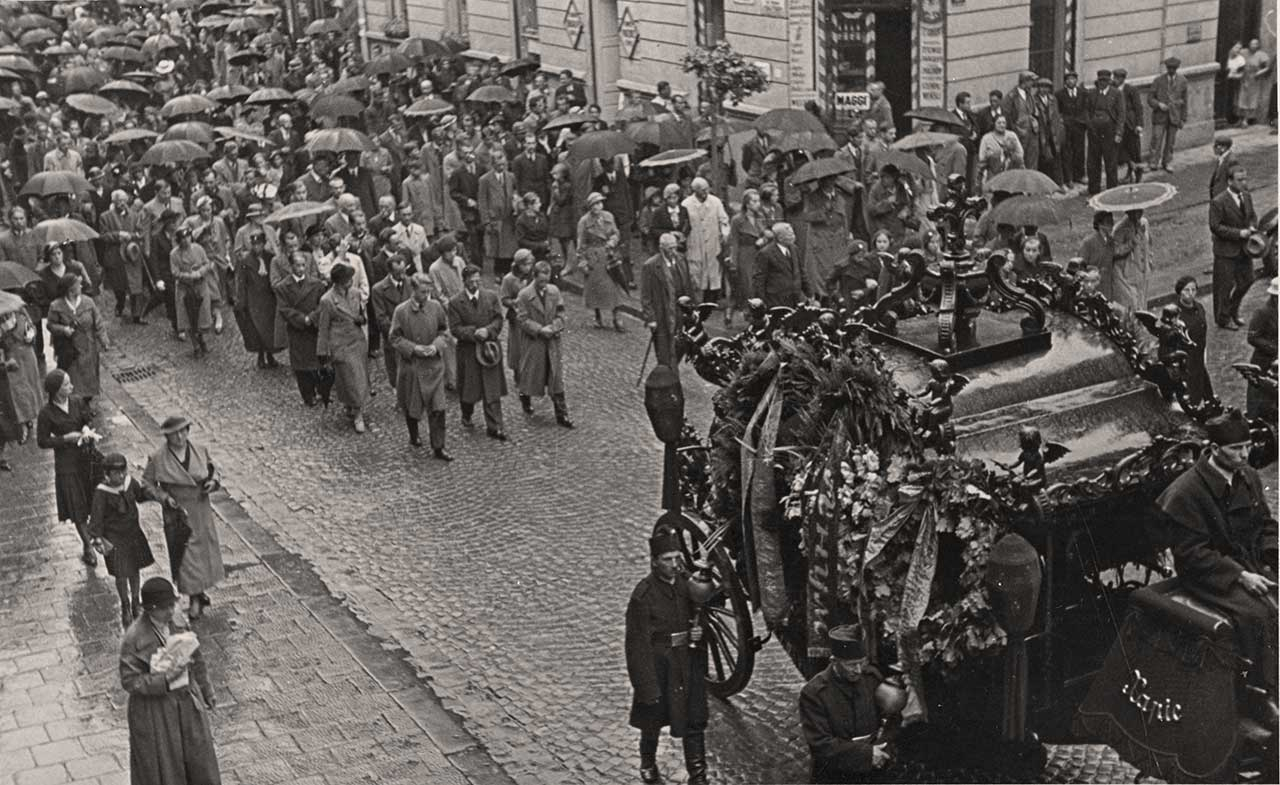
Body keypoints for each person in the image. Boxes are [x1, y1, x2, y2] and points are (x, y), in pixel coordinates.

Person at [1155, 411, 1277, 714]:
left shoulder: (1247, 475)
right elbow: (1192, 554)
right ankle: (1261, 692)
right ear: (1212, 448)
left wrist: (1274, 554)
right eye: (1236, 449)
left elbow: (1265, 524)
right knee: (1258, 615)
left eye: (1247, 446)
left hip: (1250, 561)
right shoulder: (1186, 492)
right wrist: (1240, 576)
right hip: (1210, 575)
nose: (1244, 455)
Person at [624, 525, 709, 785]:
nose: (674, 564)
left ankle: (698, 775)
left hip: (686, 661)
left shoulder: (687, 585)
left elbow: (702, 610)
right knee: (653, 719)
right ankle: (647, 763)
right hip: (659, 664)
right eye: (667, 560)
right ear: (654, 562)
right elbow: (636, 645)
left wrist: (699, 632)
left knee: (695, 718)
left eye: (676, 558)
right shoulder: (643, 596)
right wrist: (646, 685)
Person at [120, 576, 221, 785]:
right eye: (165, 607)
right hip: (156, 714)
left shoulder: (177, 622)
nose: (170, 610)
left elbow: (197, 658)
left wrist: (207, 690)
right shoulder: (133, 638)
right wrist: (164, 680)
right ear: (150, 609)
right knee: (165, 767)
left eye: (172, 605)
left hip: (187, 704)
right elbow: (130, 681)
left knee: (199, 760)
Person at [143, 415, 225, 621]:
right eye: (174, 434)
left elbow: (214, 471)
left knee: (202, 553)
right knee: (186, 556)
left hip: (200, 507)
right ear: (167, 436)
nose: (180, 437)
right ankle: (194, 599)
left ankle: (200, 592)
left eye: (183, 431)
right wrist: (164, 497)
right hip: (178, 512)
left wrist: (212, 483)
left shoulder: (200, 449)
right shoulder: (158, 458)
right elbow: (147, 483)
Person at [799, 624, 892, 783]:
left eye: (861, 663)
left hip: (872, 772)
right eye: (850, 665)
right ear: (833, 661)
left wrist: (883, 747)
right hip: (834, 775)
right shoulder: (814, 693)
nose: (858, 670)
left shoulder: (871, 678)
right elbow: (821, 745)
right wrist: (867, 755)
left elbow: (890, 718)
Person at [91, 452, 171, 630]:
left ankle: (136, 601)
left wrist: (153, 490)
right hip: (114, 538)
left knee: (134, 570)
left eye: (123, 472)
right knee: (121, 574)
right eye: (116, 473)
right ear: (107, 474)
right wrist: (97, 538)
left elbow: (141, 495)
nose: (120, 476)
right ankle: (125, 604)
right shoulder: (101, 493)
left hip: (132, 533)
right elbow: (96, 519)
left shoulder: (129, 483)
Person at [36, 369, 98, 566]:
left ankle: (94, 536)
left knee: (92, 500)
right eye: (66, 385)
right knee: (77, 506)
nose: (71, 387)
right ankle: (88, 546)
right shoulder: (46, 414)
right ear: (56, 391)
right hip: (66, 464)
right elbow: (42, 441)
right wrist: (64, 439)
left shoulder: (77, 402)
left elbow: (88, 418)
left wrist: (87, 428)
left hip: (85, 459)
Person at [390, 272, 452, 458]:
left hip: (434, 366)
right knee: (412, 406)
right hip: (413, 367)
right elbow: (394, 337)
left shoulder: (436, 307)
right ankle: (414, 434)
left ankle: (439, 447)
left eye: (429, 291)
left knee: (438, 408)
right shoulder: (401, 311)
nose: (427, 296)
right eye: (423, 292)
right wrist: (414, 348)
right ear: (413, 290)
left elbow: (444, 331)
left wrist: (436, 346)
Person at [447, 265, 507, 440]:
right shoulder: (455, 302)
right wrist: (474, 332)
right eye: (471, 281)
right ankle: (467, 413)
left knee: (491, 389)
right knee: (469, 389)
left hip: (489, 350)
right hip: (469, 351)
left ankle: (495, 426)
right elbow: (455, 328)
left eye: (477, 280)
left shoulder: (491, 297)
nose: (475, 284)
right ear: (464, 281)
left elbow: (498, 319)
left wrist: (488, 331)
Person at [316, 263, 372, 433]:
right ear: (339, 282)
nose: (351, 282)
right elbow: (323, 327)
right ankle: (357, 414)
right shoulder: (327, 300)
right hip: (341, 344)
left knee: (358, 377)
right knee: (351, 378)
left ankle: (352, 406)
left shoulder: (355, 294)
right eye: (348, 280)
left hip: (357, 341)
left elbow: (362, 314)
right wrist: (322, 352)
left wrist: (362, 320)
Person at [515, 260, 572, 427]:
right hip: (535, 343)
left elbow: (561, 314)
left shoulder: (554, 291)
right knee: (531, 375)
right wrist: (539, 329)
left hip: (552, 342)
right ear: (534, 277)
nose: (544, 285)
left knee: (556, 378)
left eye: (546, 281)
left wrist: (553, 327)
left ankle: (562, 415)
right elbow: (522, 319)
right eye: (541, 281)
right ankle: (525, 398)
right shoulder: (525, 295)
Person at [276, 252, 335, 408]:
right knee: (301, 367)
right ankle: (308, 395)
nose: (301, 269)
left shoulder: (317, 285)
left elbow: (322, 305)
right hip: (298, 330)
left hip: (314, 330)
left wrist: (312, 318)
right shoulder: (282, 287)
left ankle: (323, 391)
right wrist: (303, 319)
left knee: (319, 362)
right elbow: (284, 309)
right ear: (291, 266)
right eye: (298, 265)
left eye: (304, 265)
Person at [45, 272, 109, 405]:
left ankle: (86, 404)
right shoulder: (56, 306)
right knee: (74, 381)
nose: (81, 285)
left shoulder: (88, 302)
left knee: (89, 380)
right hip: (70, 350)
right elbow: (50, 325)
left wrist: (104, 340)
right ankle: (76, 407)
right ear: (70, 290)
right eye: (77, 284)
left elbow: (98, 323)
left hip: (88, 347)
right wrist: (63, 330)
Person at [1209, 165, 1258, 329]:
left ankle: (1232, 310)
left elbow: (1252, 216)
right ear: (1230, 181)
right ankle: (1223, 319)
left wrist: (1252, 227)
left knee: (1248, 280)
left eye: (1245, 179)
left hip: (1244, 249)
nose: (1243, 183)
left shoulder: (1246, 196)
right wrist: (1239, 233)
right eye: (1239, 180)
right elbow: (1215, 227)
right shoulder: (1218, 201)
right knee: (1224, 286)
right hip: (1226, 251)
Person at [641, 233, 693, 368]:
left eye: (675, 248)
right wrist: (650, 318)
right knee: (663, 351)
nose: (673, 251)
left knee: (680, 346)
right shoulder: (651, 266)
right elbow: (646, 295)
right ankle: (667, 378)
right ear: (661, 248)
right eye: (670, 249)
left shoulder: (681, 260)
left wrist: (690, 304)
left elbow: (687, 285)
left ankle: (672, 372)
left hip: (680, 313)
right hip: (662, 313)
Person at [577, 191, 626, 331]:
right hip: (594, 257)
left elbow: (616, 233)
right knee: (596, 289)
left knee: (614, 287)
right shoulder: (584, 222)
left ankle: (617, 317)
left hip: (609, 256)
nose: (599, 206)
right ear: (590, 206)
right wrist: (583, 262)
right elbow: (581, 244)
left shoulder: (609, 216)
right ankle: (598, 317)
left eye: (600, 203)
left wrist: (613, 241)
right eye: (596, 204)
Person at [234, 230, 282, 369]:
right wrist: (241, 300)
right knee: (257, 327)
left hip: (268, 298)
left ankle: (270, 355)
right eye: (254, 245)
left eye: (259, 244)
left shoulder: (270, 257)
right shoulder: (245, 260)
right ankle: (260, 355)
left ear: (264, 243)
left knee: (268, 327)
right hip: (254, 298)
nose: (257, 248)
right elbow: (241, 281)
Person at [0, 300, 42, 450]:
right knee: (18, 389)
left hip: (28, 355)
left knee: (31, 385)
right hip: (12, 357)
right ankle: (22, 421)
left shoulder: (21, 313)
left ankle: (30, 416)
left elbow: (32, 328)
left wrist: (31, 335)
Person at [681, 178, 730, 304]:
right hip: (695, 241)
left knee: (713, 273)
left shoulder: (716, 201)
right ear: (695, 191)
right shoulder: (686, 204)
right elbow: (683, 225)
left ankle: (712, 299)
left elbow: (724, 220)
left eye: (707, 189)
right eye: (702, 190)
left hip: (713, 242)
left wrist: (725, 234)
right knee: (696, 273)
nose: (706, 192)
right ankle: (697, 300)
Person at [802, 177, 851, 302]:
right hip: (821, 238)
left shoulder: (839, 196)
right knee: (823, 270)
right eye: (826, 180)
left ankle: (838, 298)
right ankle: (823, 299)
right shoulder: (812, 197)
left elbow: (844, 216)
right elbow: (806, 216)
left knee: (838, 267)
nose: (830, 182)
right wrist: (823, 211)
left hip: (838, 239)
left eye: (832, 179)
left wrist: (846, 233)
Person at [370, 251, 413, 388]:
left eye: (403, 271)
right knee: (397, 372)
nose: (402, 276)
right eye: (397, 273)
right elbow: (381, 318)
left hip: (413, 334)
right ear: (389, 271)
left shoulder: (412, 282)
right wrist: (398, 331)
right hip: (394, 337)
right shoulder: (378, 289)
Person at [727, 189, 768, 326]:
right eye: (754, 201)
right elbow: (734, 242)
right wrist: (734, 262)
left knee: (759, 284)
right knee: (748, 286)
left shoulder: (760, 216)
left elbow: (766, 233)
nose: (757, 204)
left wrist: (763, 240)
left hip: (760, 253)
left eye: (758, 201)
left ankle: (760, 314)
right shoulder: (737, 220)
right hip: (745, 254)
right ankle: (749, 314)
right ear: (747, 203)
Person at [170, 226, 214, 357]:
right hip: (185, 289)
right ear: (178, 240)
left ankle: (201, 339)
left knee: (202, 316)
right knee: (188, 318)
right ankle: (195, 346)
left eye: (188, 237)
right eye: (182, 238)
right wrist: (189, 276)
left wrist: (199, 272)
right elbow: (174, 272)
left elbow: (207, 263)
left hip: (200, 286)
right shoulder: (174, 254)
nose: (186, 241)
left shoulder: (198, 249)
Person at [1172, 276, 1214, 407]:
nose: (1190, 294)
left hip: (1199, 355)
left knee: (1207, 391)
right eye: (1186, 290)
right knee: (1191, 394)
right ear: (1179, 292)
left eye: (1193, 290)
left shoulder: (1199, 307)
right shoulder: (1175, 314)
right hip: (1186, 359)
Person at [478, 153, 518, 276]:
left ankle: (508, 270)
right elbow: (482, 201)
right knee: (497, 247)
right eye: (499, 164)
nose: (502, 166)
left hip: (509, 217)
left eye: (503, 164)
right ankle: (498, 272)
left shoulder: (511, 176)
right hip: (495, 218)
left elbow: (515, 191)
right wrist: (486, 221)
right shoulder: (485, 180)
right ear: (493, 164)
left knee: (509, 246)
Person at [753, 223, 809, 308]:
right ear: (780, 238)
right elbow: (759, 280)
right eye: (789, 235)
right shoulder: (766, 253)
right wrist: (762, 302)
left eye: (793, 234)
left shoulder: (794, 249)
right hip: (776, 301)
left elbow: (801, 272)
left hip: (796, 299)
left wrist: (809, 293)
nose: (793, 237)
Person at [1148, 57, 1188, 172]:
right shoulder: (1158, 80)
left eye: (1174, 68)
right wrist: (1159, 104)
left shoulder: (1183, 81)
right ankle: (1153, 162)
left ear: (1177, 68)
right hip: (1160, 116)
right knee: (1156, 139)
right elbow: (1150, 98)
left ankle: (1167, 162)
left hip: (1174, 116)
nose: (1171, 70)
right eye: (1169, 68)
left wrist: (1183, 118)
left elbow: (1185, 101)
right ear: (1166, 68)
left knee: (1171, 142)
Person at [1085, 69, 1122, 194]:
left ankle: (1112, 190)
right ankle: (1093, 189)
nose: (1103, 83)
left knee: (1110, 162)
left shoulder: (1116, 94)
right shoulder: (1092, 93)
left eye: (1105, 80)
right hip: (1094, 132)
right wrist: (1090, 124)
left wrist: (1118, 133)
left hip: (1110, 132)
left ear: (1109, 81)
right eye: (1101, 80)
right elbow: (1087, 111)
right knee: (1093, 161)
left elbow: (1121, 114)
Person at [1246, 277, 1278, 420]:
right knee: (1258, 395)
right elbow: (1252, 337)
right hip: (1264, 361)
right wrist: (1274, 349)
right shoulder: (1262, 312)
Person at [1111, 208, 1152, 313]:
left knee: (1143, 303)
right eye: (1135, 211)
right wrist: (1131, 243)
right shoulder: (1120, 229)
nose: (1139, 214)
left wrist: (1150, 260)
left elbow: (1149, 242)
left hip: (1144, 271)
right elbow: (1115, 251)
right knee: (1133, 305)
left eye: (1140, 210)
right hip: (1129, 273)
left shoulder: (1144, 223)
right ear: (1128, 212)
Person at [1077, 211, 1122, 300]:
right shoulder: (1088, 242)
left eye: (1112, 222)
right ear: (1100, 224)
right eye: (1108, 222)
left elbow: (1117, 255)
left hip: (1107, 287)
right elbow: (1080, 267)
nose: (1111, 225)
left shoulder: (1111, 242)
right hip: (1092, 287)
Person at [1002, 71, 1041, 172]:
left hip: (1031, 131)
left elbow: (1033, 110)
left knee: (1032, 159)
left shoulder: (1029, 94)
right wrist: (1014, 130)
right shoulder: (1011, 96)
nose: (1033, 83)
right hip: (1018, 133)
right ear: (1025, 81)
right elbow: (1006, 115)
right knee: (1019, 160)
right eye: (1031, 81)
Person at [1056, 70, 1088, 187]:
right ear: (1065, 82)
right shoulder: (1059, 94)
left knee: (1079, 151)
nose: (1071, 81)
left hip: (1079, 126)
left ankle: (1079, 175)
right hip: (1066, 127)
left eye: (1073, 79)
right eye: (1068, 79)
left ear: (1076, 80)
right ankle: (1068, 178)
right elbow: (1058, 111)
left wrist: (1084, 121)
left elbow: (1086, 108)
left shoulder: (1082, 93)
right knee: (1067, 152)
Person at [1112, 68, 1144, 182]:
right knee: (1122, 151)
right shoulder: (1112, 89)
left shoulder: (1131, 90)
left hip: (1131, 125)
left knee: (1135, 151)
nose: (1115, 80)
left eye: (1118, 78)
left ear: (1123, 79)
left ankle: (1138, 175)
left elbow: (1138, 108)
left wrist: (1139, 125)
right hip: (1119, 126)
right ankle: (1129, 173)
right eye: (1114, 77)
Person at [1238, 39, 1273, 126]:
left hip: (1254, 79)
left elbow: (1268, 67)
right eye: (1251, 43)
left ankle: (1245, 120)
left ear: (1258, 45)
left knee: (1250, 99)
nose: (1253, 45)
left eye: (1255, 44)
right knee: (1241, 98)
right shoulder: (1244, 52)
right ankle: (1240, 118)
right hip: (1243, 77)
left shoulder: (1261, 54)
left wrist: (1259, 73)